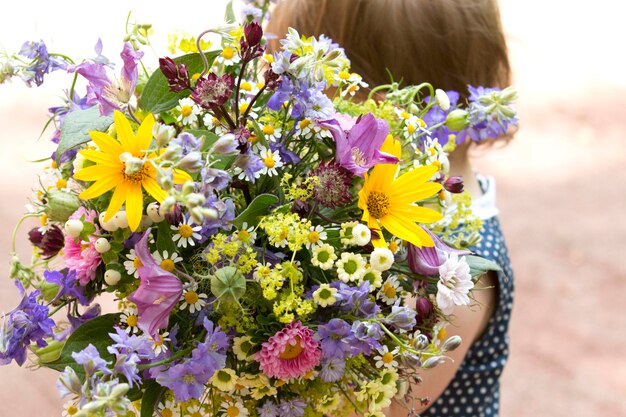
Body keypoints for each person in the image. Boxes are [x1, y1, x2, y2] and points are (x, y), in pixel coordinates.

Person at [267, 0, 515, 416]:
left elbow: (385, 405)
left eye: (313, 85)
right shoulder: (398, 196)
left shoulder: (458, 271)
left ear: (379, 102)